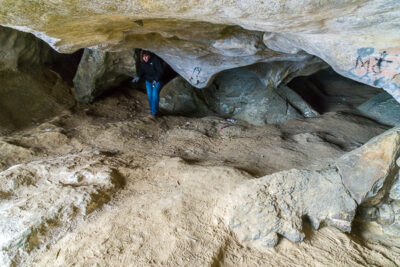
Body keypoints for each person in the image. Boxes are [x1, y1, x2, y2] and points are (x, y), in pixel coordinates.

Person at [132, 50, 164, 117]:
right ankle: (152, 110)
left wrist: (156, 80)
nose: (145, 58)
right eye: (143, 57)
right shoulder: (143, 62)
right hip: (148, 81)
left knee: (154, 94)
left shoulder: (155, 60)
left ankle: (155, 112)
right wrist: (138, 76)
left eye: (146, 56)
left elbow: (160, 71)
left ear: (149, 55)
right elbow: (141, 70)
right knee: (149, 95)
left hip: (156, 80)